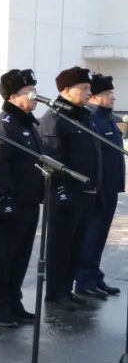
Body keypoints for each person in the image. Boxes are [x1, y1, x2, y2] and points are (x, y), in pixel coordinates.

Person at [39, 66, 102, 311]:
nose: (89, 92)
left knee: (75, 246)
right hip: (65, 195)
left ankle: (66, 288)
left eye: (89, 88)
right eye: (84, 88)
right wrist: (61, 192)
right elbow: (52, 159)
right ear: (66, 91)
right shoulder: (55, 118)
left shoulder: (82, 116)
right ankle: (56, 292)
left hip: (85, 194)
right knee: (60, 246)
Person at [0, 69, 43, 327]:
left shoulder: (28, 123)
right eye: (28, 92)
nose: (34, 96)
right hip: (9, 203)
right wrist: (4, 201)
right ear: (12, 96)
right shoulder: (3, 125)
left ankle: (13, 302)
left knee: (20, 257)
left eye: (34, 90)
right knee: (3, 258)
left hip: (29, 201)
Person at [75, 73, 123, 298]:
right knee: (91, 235)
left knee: (100, 236)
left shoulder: (107, 118)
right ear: (93, 97)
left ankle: (94, 276)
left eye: (112, 93)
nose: (112, 97)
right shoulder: (92, 119)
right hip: (99, 188)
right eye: (107, 93)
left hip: (110, 186)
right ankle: (84, 281)